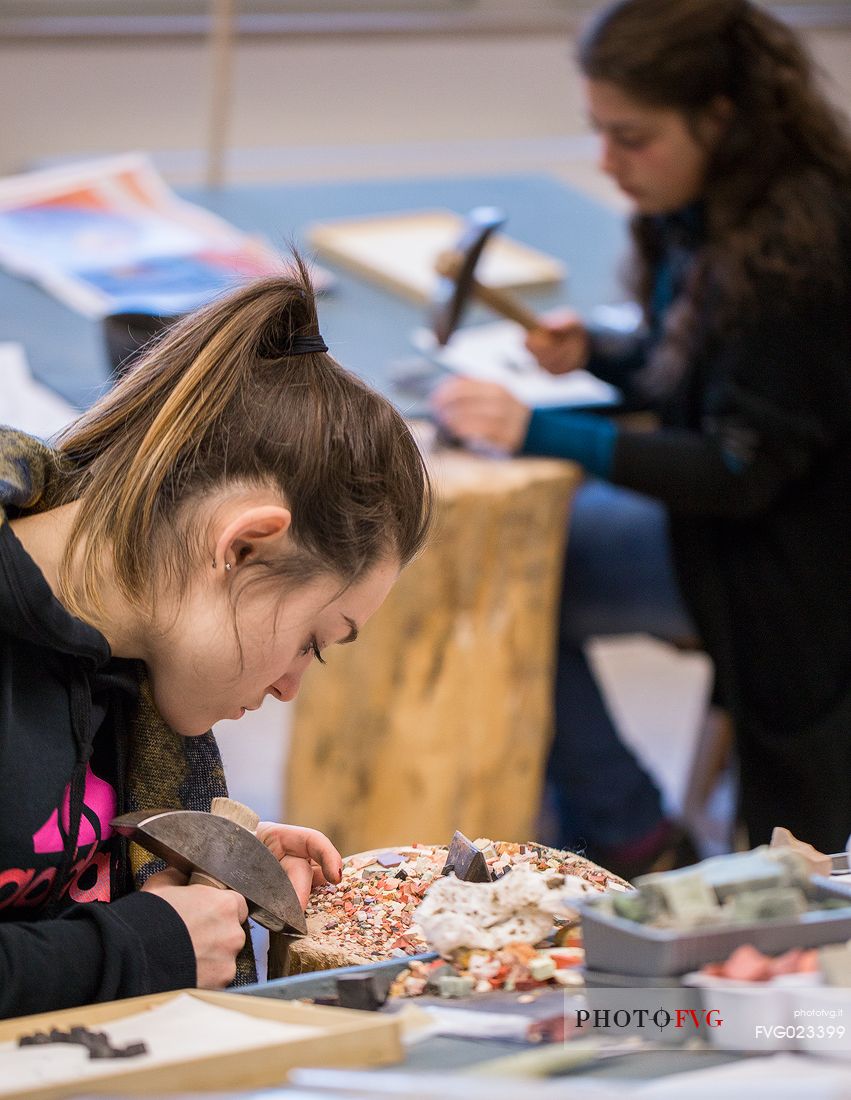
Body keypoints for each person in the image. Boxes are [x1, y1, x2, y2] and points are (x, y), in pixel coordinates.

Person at [433, 0, 851, 871]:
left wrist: (536, 431)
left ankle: (627, 835)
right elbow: (710, 377)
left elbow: (738, 466)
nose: (607, 162)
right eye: (598, 132)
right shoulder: (697, 207)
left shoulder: (808, 248)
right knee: (498, 552)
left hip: (785, 562)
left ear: (721, 118)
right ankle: (599, 817)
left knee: (504, 577)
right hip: (726, 525)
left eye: (632, 137)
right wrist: (608, 352)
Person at [0, 257, 432, 1018]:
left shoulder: (126, 680)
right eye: (313, 639)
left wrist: (182, 856)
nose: (291, 684)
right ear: (242, 547)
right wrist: (142, 947)